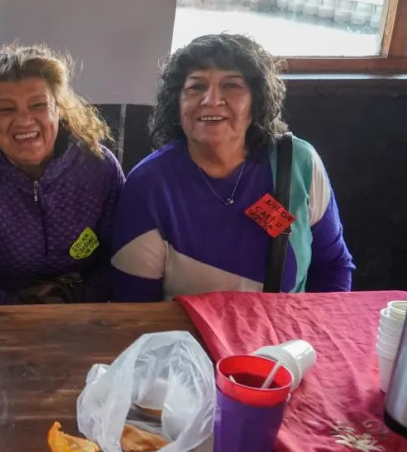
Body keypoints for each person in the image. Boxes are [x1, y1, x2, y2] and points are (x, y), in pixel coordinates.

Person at [111, 33, 354, 301]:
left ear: (256, 101)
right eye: (196, 87)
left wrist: (315, 335)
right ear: (177, 104)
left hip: (286, 339)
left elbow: (332, 266)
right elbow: (135, 305)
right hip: (187, 340)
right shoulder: (150, 185)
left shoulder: (298, 163)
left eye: (232, 85)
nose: (212, 99)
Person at [0, 44, 125, 305]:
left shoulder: (100, 166)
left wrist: (69, 300)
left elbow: (119, 259)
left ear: (59, 110)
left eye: (38, 105)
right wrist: (20, 311)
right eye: (6, 109)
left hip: (83, 310)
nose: (24, 120)